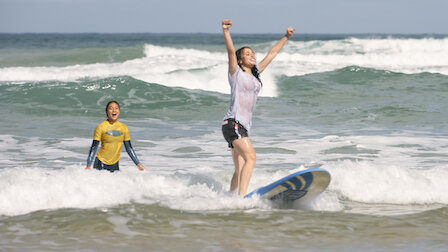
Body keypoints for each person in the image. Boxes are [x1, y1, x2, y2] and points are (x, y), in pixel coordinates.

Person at [221, 19, 294, 196]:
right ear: (240, 60)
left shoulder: (255, 74)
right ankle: (242, 198)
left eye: (253, 53)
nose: (252, 55)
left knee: (239, 169)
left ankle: (230, 198)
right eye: (247, 54)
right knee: (251, 158)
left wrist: (286, 36)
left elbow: (271, 54)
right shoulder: (235, 73)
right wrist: (226, 32)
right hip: (234, 123)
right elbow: (231, 52)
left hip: (241, 126)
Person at [85, 101, 146, 172]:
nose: (114, 110)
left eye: (116, 108)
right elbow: (94, 147)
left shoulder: (124, 128)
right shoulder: (101, 127)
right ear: (107, 112)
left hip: (115, 164)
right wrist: (88, 165)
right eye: (111, 108)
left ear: (119, 111)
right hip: (101, 163)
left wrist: (138, 164)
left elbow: (129, 148)